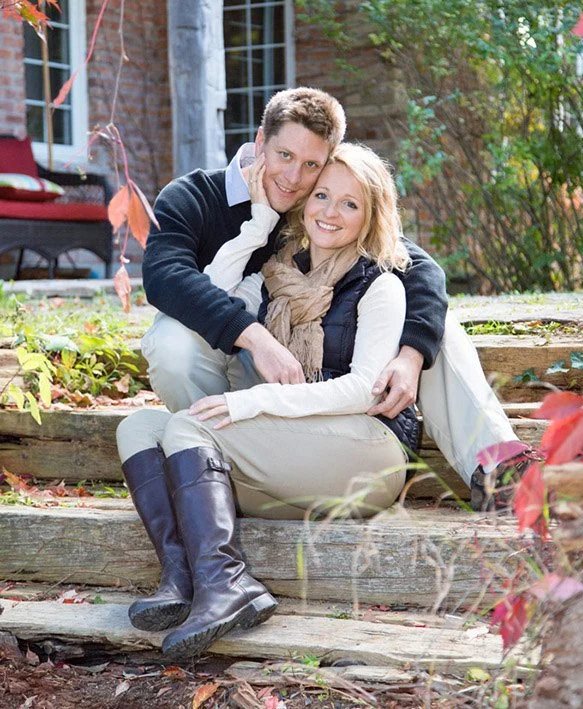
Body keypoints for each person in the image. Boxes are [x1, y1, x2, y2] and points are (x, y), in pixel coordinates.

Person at [136, 88, 527, 514]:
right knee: (172, 339)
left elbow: (418, 266)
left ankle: (500, 469)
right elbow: (165, 278)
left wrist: (412, 355)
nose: (293, 177)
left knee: (432, 329)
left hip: (319, 395)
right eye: (284, 155)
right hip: (239, 372)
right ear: (260, 141)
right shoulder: (192, 195)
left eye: (311, 166)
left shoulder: (315, 204)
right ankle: (210, 458)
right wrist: (256, 340)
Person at [116, 143, 430, 659]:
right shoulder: (274, 276)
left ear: (372, 214)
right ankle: (187, 578)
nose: (329, 212)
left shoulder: (381, 283)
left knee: (190, 429)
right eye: (322, 195)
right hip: (302, 450)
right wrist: (259, 221)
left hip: (369, 452)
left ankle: (227, 584)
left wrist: (254, 401)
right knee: (139, 427)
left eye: (349, 204)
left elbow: (363, 389)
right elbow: (204, 293)